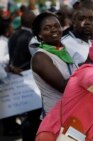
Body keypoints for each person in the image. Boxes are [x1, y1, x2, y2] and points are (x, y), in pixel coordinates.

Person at [31, 12, 77, 115]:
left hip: (74, 112)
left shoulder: (64, 50)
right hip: (57, 117)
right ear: (39, 34)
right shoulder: (40, 57)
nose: (54, 30)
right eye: (47, 28)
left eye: (57, 26)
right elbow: (63, 86)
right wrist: (88, 65)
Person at [7, 9, 42, 141]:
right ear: (33, 23)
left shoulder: (13, 36)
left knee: (25, 117)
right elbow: (39, 59)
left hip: (15, 83)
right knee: (33, 117)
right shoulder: (32, 40)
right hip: (29, 83)